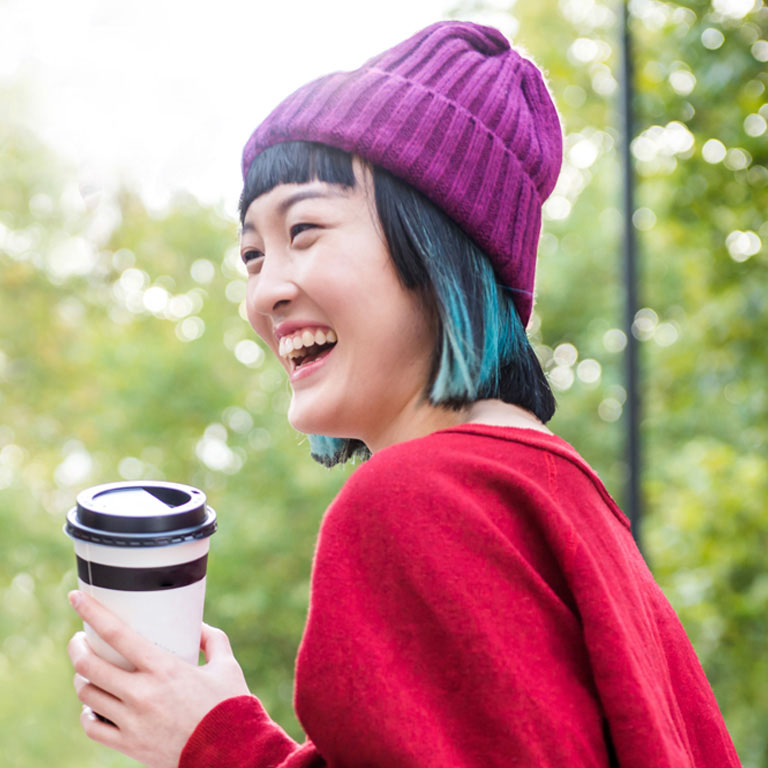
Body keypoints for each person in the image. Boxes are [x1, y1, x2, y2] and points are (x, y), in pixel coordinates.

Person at [67, 20, 741, 768]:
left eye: (306, 230)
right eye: (253, 255)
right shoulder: (566, 503)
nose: (266, 292)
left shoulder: (417, 499)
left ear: (434, 246)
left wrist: (218, 747)